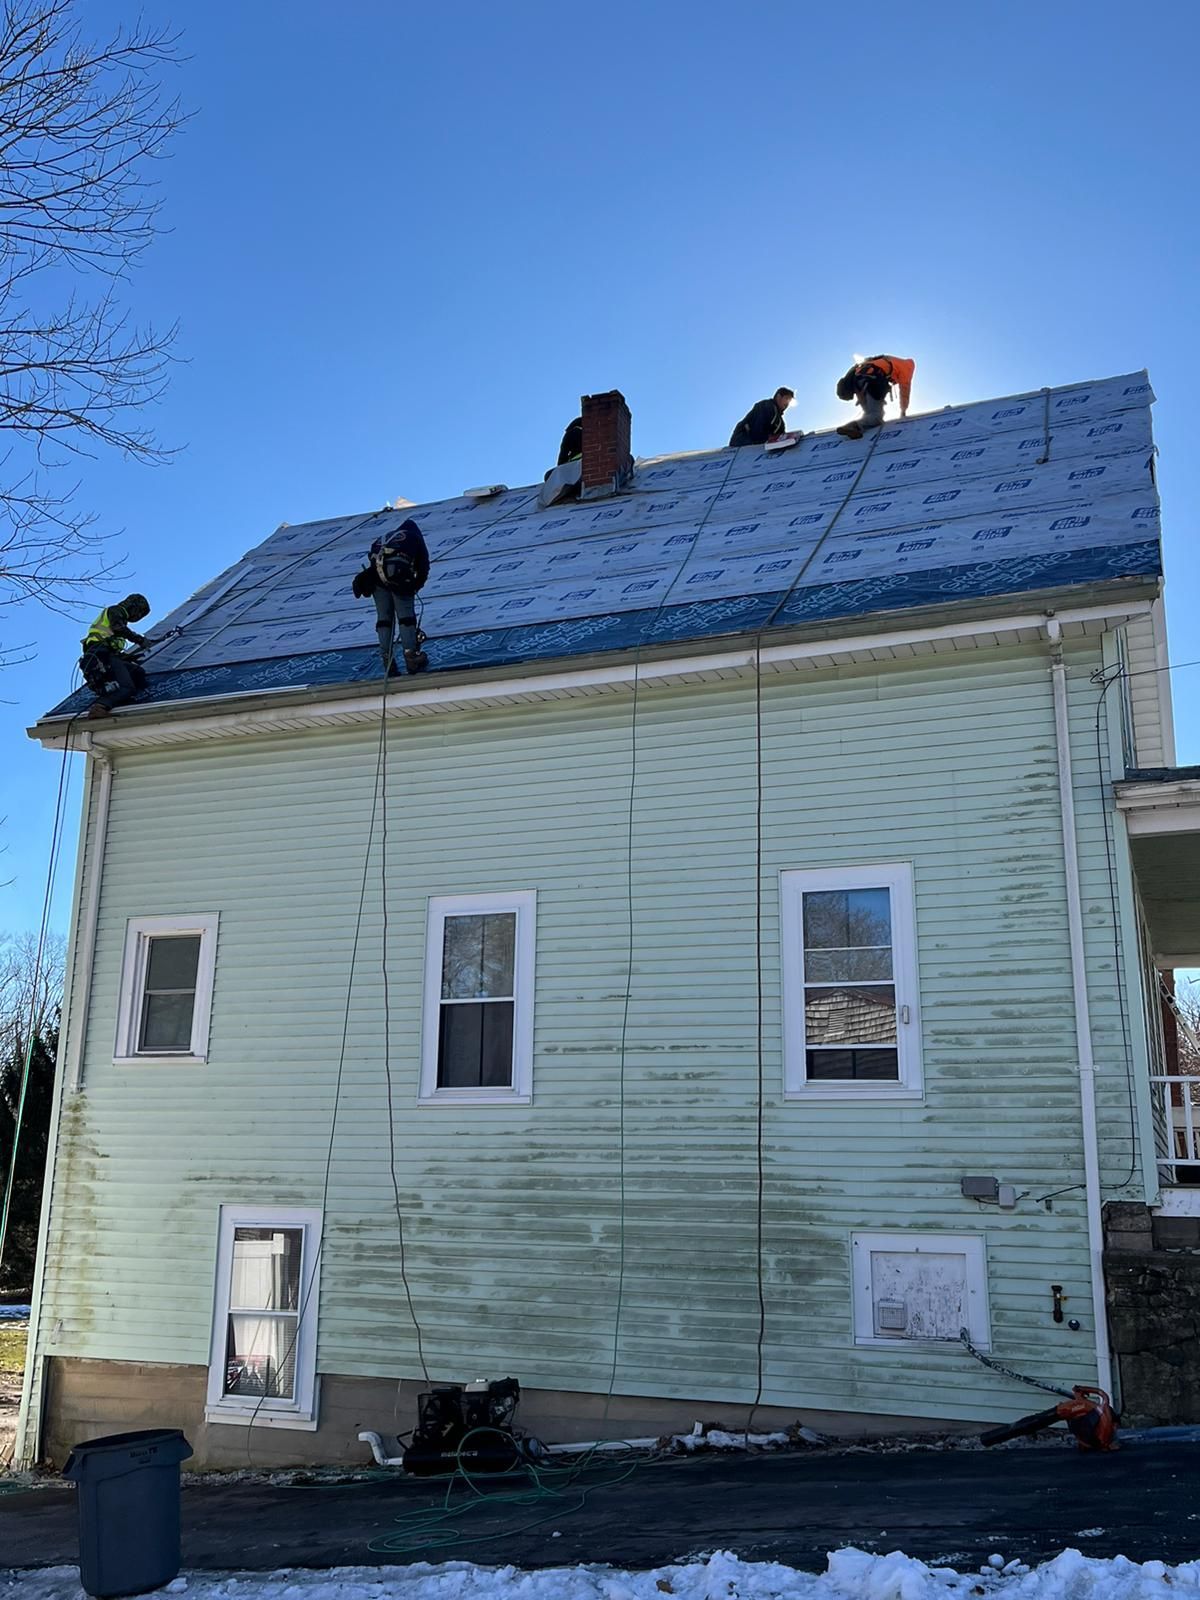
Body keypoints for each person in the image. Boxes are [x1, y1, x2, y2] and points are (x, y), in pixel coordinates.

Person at [352, 517, 431, 675]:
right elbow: (423, 567)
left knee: (384, 620)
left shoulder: (387, 537)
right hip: (398, 574)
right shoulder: (415, 538)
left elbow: (374, 559)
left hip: (376, 577)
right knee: (406, 617)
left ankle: (387, 658)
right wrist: (415, 586)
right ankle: (411, 656)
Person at [79, 594, 153, 719]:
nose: (137, 617)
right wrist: (140, 640)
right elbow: (119, 628)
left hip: (105, 656)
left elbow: (113, 644)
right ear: (134, 607)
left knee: (137, 672)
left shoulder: (117, 618)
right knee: (126, 687)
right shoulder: (115, 611)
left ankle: (127, 701)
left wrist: (128, 658)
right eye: (139, 613)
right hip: (101, 656)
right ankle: (100, 706)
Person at [835, 356, 915, 439]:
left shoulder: (886, 360)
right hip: (873, 380)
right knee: (877, 417)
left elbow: (860, 388)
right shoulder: (906, 368)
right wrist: (903, 410)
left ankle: (856, 428)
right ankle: (854, 426)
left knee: (869, 414)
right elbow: (904, 391)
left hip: (858, 381)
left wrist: (863, 401)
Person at [729, 388, 796, 448]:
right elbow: (757, 429)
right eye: (786, 398)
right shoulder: (766, 405)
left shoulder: (780, 423)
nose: (787, 403)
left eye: (789, 401)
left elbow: (781, 437)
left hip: (759, 445)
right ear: (779, 397)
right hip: (742, 440)